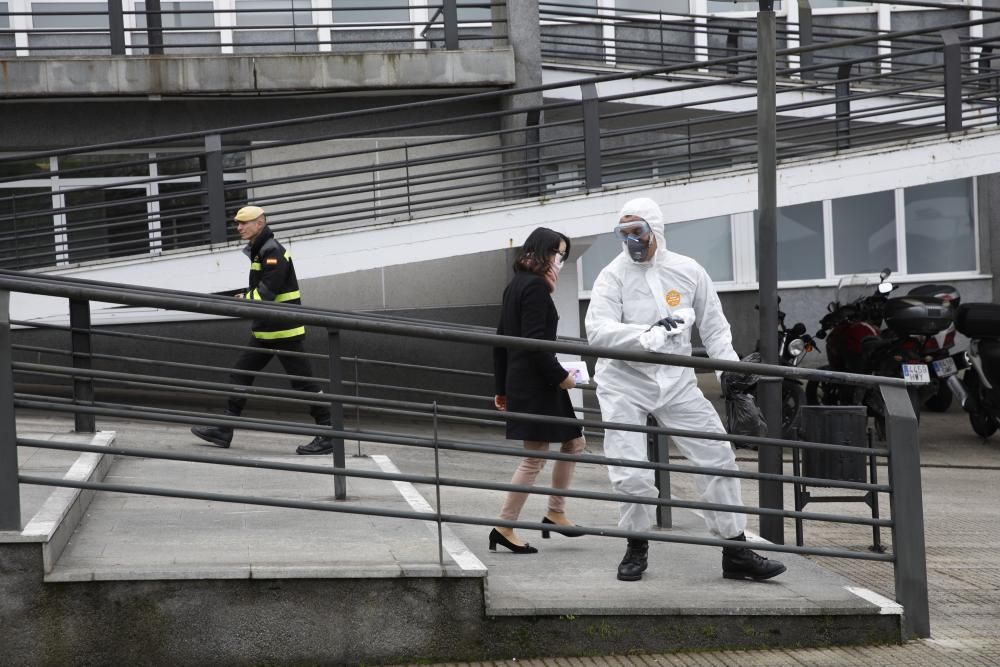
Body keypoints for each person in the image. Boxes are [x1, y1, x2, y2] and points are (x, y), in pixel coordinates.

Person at [585, 197, 786, 582]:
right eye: (623, 234)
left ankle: (735, 548)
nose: (631, 241)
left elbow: (713, 326)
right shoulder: (612, 276)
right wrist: (648, 335)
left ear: (655, 230)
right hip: (623, 381)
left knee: (717, 454)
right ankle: (636, 544)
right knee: (631, 472)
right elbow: (598, 330)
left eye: (638, 232)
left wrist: (731, 373)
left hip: (676, 381)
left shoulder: (688, 271)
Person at [191, 205, 335, 455]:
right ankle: (225, 428)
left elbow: (267, 293)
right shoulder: (262, 250)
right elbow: (263, 290)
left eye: (243, 223)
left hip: (282, 331)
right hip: (268, 330)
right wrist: (246, 296)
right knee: (240, 375)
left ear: (260, 224)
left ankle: (330, 432)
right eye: (237, 223)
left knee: (303, 384)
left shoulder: (272, 252)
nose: (239, 228)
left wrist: (245, 300)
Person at [490, 227, 587, 554]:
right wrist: (562, 377)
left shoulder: (516, 284)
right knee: (535, 457)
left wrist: (501, 387)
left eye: (563, 255)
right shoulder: (533, 289)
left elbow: (502, 340)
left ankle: (555, 512)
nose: (560, 261)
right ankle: (505, 525)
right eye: (558, 254)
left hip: (530, 382)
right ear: (542, 252)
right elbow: (534, 344)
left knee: (574, 441)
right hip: (538, 383)